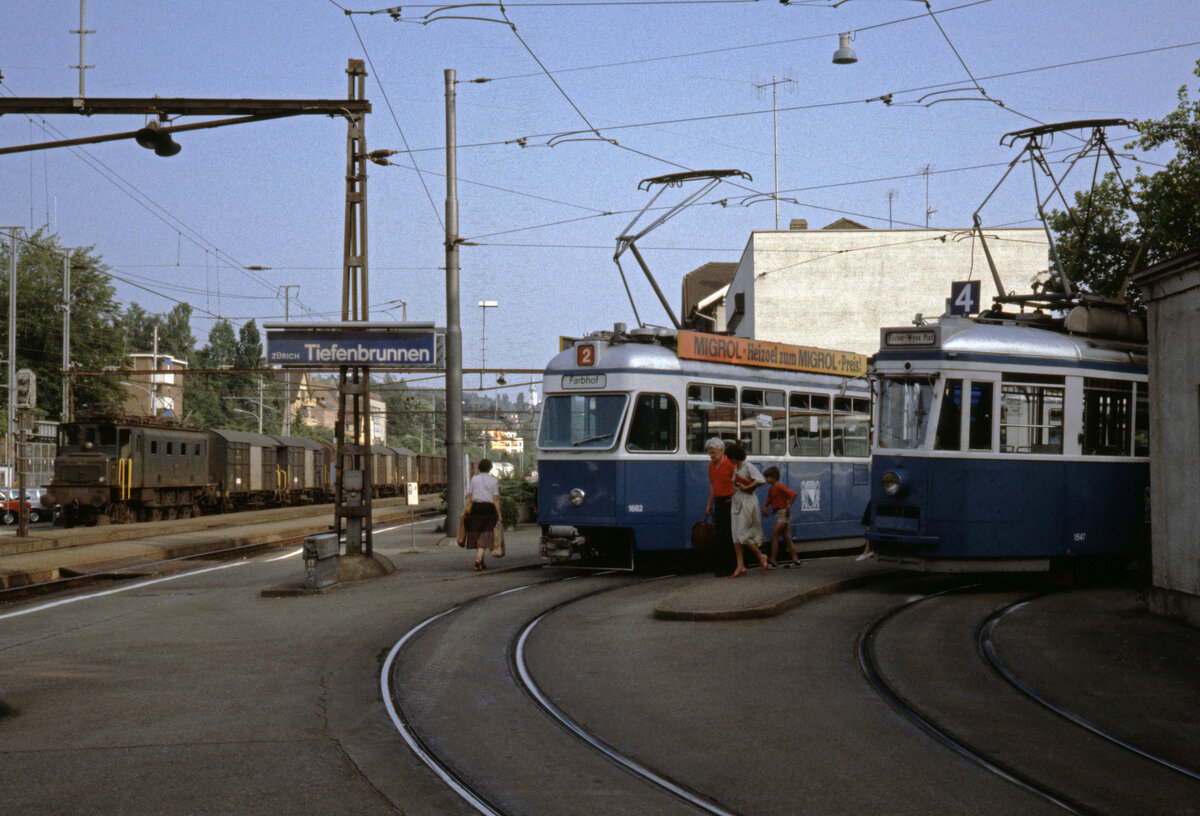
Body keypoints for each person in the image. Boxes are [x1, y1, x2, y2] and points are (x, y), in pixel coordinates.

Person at [727, 443, 771, 577]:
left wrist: (746, 488)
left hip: (747, 503)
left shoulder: (748, 466)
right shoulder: (737, 468)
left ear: (735, 457)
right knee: (735, 536)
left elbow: (760, 480)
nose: (728, 459)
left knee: (742, 535)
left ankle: (761, 556)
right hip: (737, 502)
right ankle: (740, 565)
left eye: (729, 457)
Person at [704, 437, 736, 577]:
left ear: (721, 451)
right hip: (718, 501)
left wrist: (735, 497)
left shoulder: (730, 465)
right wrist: (709, 504)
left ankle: (731, 566)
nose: (711, 456)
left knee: (728, 535)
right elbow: (713, 486)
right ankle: (721, 566)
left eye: (713, 453)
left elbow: (739, 482)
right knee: (719, 535)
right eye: (709, 453)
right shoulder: (711, 466)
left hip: (729, 502)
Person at [464, 458, 502, 571]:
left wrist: (464, 511)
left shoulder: (474, 479)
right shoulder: (494, 481)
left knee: (477, 533)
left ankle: (481, 562)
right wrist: (499, 514)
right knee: (485, 535)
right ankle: (478, 558)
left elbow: (470, 497)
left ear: (479, 468)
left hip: (476, 508)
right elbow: (495, 499)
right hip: (489, 509)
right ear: (490, 468)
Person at [762, 466, 800, 567]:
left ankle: (773, 561)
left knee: (774, 536)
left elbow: (793, 494)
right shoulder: (772, 488)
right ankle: (795, 560)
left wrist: (788, 506)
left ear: (774, 477)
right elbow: (769, 499)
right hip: (778, 514)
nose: (766, 479)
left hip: (783, 513)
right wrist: (765, 506)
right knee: (787, 538)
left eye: (768, 477)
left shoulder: (779, 486)